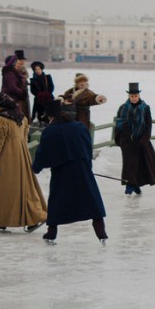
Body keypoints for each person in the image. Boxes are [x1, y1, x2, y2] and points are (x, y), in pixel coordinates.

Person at [32, 100, 108, 245]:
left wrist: (35, 167)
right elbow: (88, 145)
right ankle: (101, 231)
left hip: (62, 173)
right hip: (82, 169)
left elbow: (43, 153)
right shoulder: (79, 126)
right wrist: (87, 164)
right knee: (91, 200)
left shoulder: (51, 131)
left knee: (57, 201)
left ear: (50, 116)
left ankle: (51, 232)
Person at [0, 93, 47, 232]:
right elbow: (24, 138)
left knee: (3, 189)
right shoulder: (22, 117)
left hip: (7, 158)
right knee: (24, 187)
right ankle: (35, 216)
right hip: (22, 155)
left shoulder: (1, 119)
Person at [113, 82, 155, 196]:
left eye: (135, 96)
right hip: (126, 140)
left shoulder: (145, 108)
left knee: (139, 164)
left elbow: (148, 125)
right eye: (132, 96)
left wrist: (143, 140)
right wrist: (118, 139)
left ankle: (134, 185)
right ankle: (129, 185)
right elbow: (119, 124)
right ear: (129, 96)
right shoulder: (123, 108)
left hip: (139, 140)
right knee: (128, 163)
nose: (134, 98)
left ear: (139, 96)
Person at [0, 49, 30, 119]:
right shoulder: (11, 72)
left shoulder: (21, 70)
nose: (22, 62)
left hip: (20, 96)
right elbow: (12, 86)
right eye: (20, 60)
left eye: (23, 61)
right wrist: (22, 92)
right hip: (15, 96)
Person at [28, 61, 55, 125]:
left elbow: (51, 86)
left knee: (49, 116)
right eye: (36, 69)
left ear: (41, 69)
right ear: (34, 70)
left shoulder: (47, 77)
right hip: (38, 100)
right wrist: (39, 95)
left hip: (48, 99)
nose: (38, 71)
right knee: (39, 116)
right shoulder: (33, 80)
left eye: (39, 69)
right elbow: (32, 90)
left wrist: (47, 94)